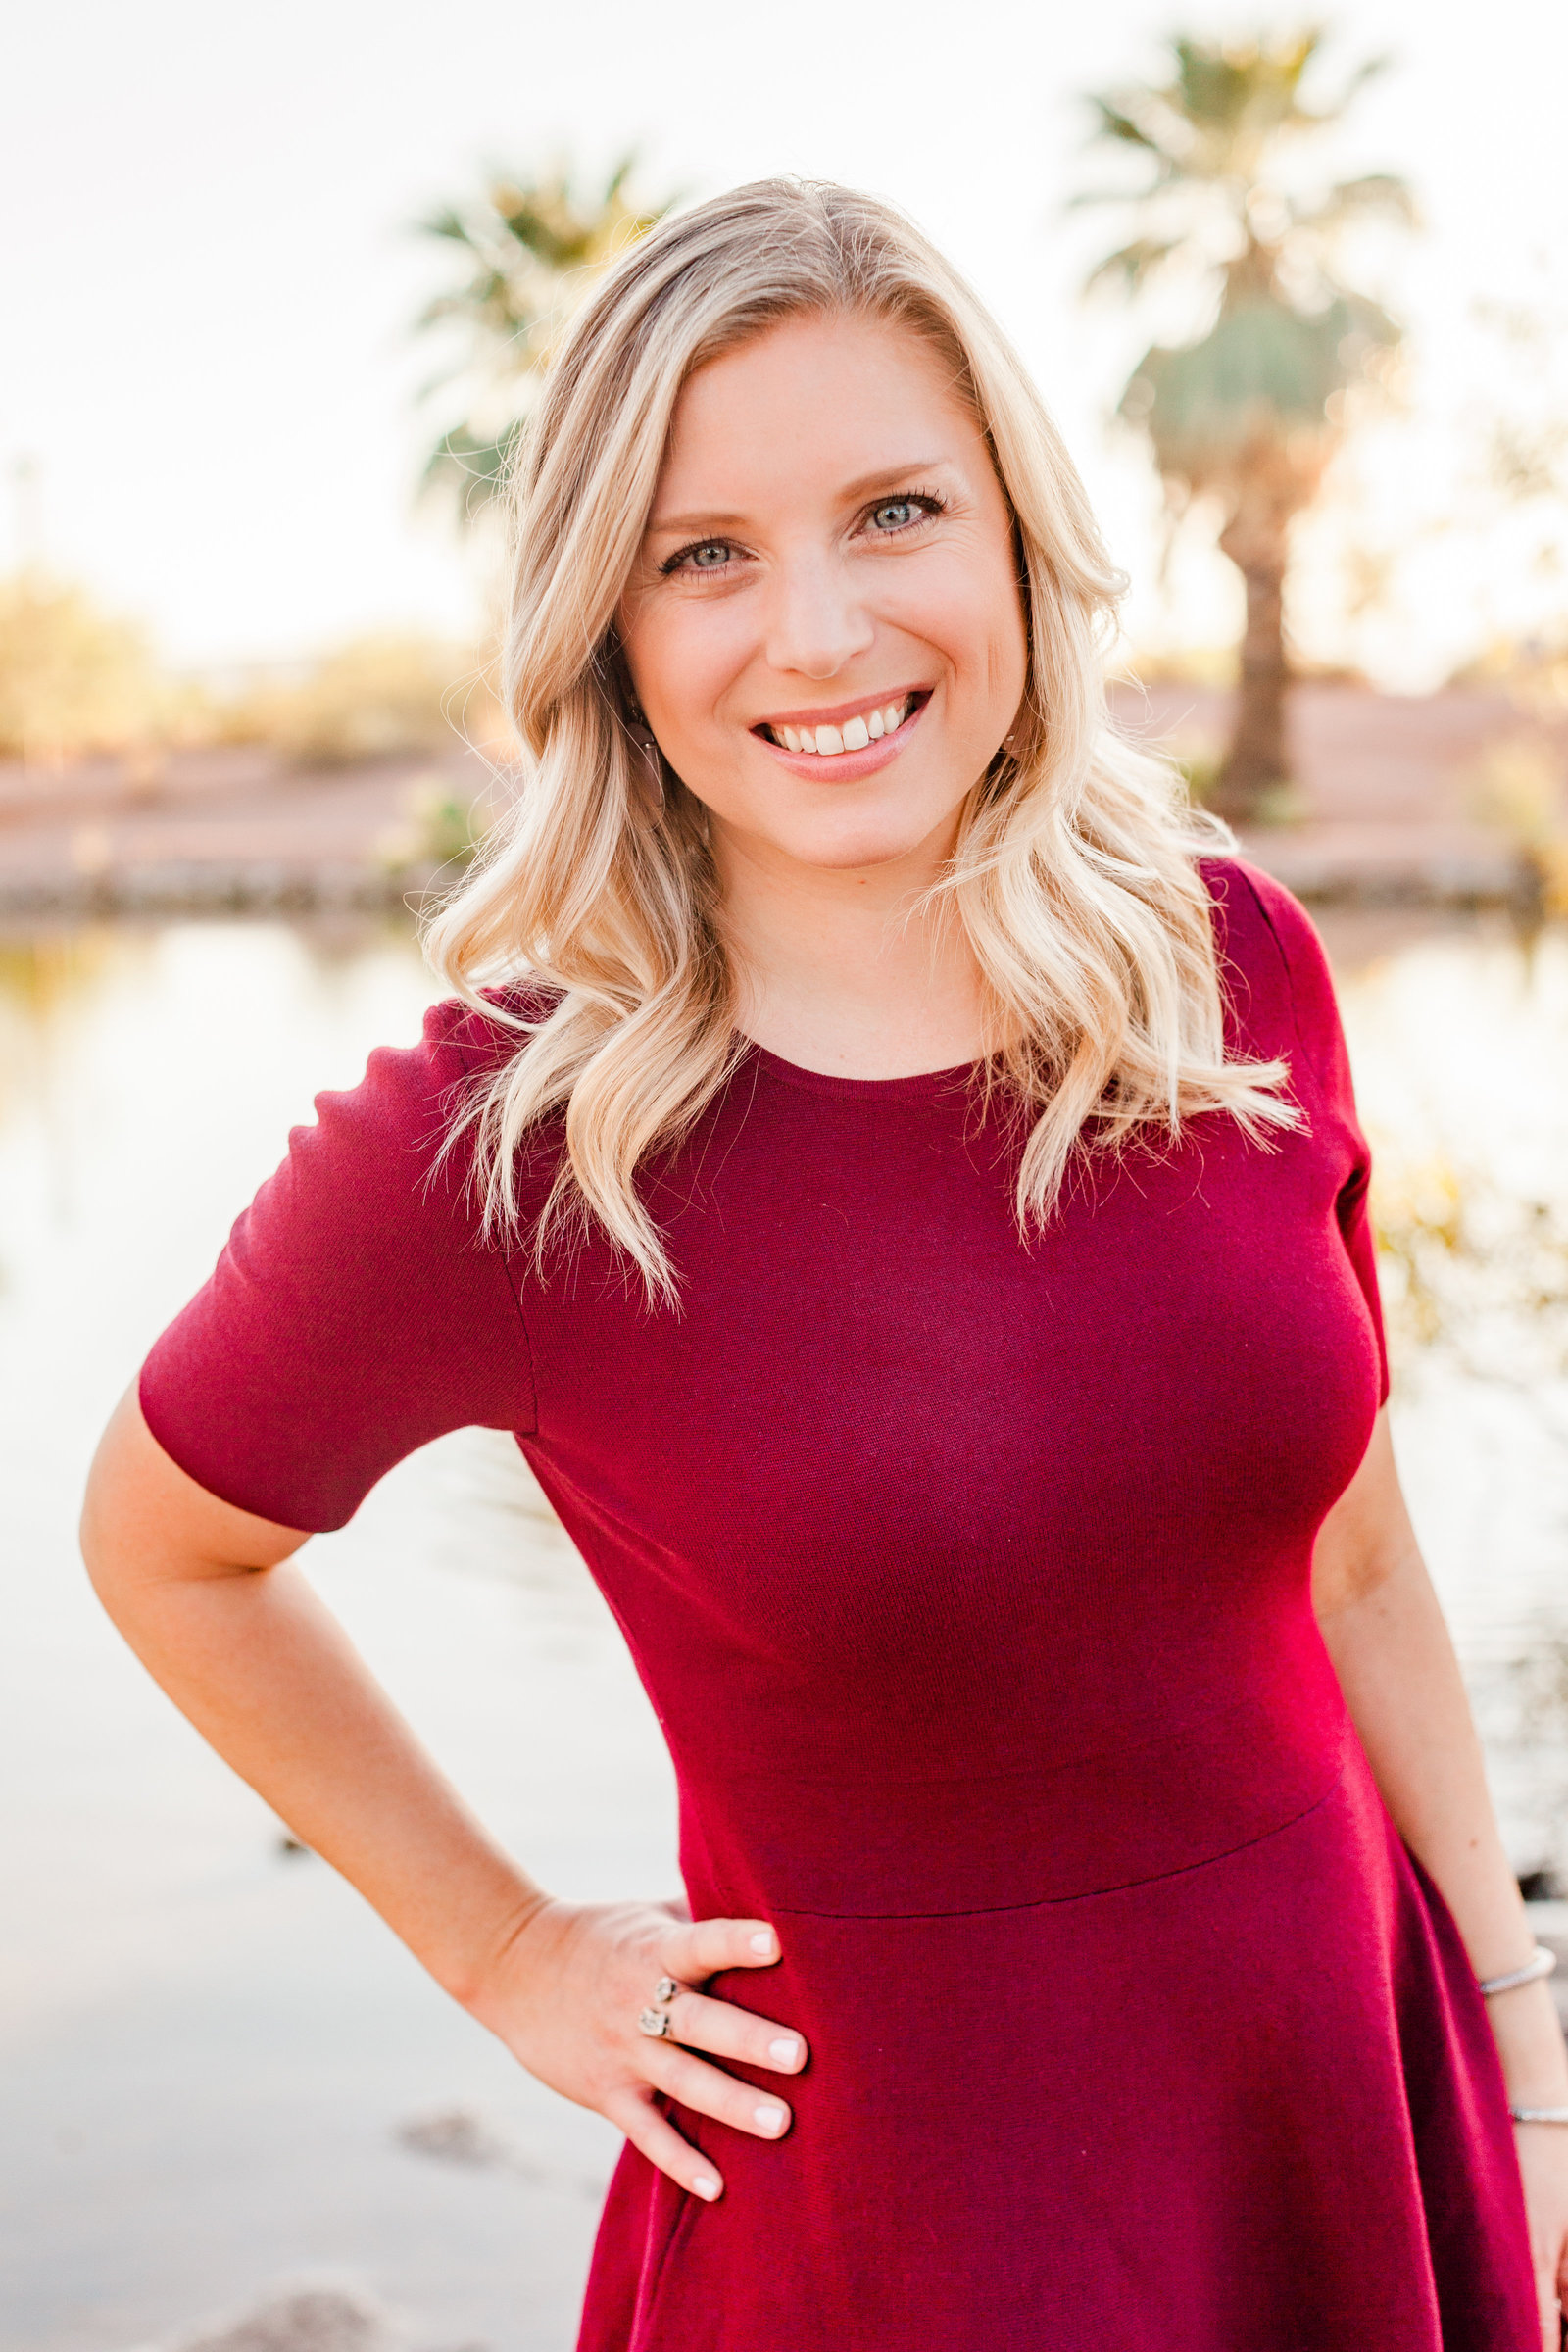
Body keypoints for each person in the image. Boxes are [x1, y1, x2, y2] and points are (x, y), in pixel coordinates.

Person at [81, 178, 1568, 2351]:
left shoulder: (1220, 962)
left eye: (892, 512)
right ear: (608, 623)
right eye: (705, 555)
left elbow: (1349, 1564)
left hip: (1344, 2094)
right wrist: (503, 1953)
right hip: (898, 2224)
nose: (819, 634)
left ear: (1010, 543)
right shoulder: (511, 1142)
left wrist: (1518, 2055)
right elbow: (164, 1546)